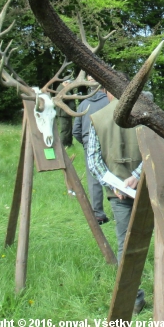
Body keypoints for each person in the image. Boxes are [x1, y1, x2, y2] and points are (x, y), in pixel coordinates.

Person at [87, 89, 146, 314]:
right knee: (163, 239)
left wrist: (114, 184)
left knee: (125, 245)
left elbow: (93, 160)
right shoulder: (143, 113)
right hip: (147, 187)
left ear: (106, 91)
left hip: (118, 194)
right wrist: (138, 176)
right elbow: (154, 148)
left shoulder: (97, 117)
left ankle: (134, 300)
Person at [72, 77, 110, 224]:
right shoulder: (109, 101)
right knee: (115, 173)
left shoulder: (83, 104)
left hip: (89, 145)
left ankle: (98, 214)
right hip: (109, 142)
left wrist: (87, 143)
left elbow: (76, 131)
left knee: (93, 179)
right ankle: (122, 208)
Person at [56, 79, 75, 148]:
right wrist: (72, 96)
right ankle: (62, 145)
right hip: (63, 113)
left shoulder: (65, 88)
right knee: (64, 130)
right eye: (70, 84)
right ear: (66, 82)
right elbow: (62, 99)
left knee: (69, 129)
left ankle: (69, 144)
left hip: (67, 113)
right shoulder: (60, 89)